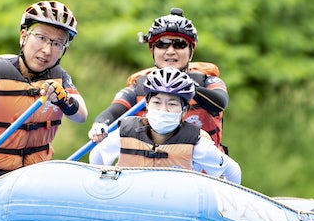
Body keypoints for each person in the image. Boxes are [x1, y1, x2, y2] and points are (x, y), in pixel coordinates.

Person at [0, 0, 88, 193]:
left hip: (34, 175)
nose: (47, 50)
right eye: (42, 38)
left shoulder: (60, 78)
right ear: (23, 37)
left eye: (57, 43)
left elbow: (81, 115)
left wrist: (63, 100)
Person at [87, 7, 229, 150]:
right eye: (162, 44)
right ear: (152, 49)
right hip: (152, 166)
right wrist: (100, 124)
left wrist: (185, 84)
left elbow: (220, 102)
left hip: (200, 168)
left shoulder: (207, 81)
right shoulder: (139, 86)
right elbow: (113, 112)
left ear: (191, 51)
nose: (171, 51)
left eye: (179, 44)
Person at [89, 67, 242, 183]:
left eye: (172, 104)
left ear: (184, 111)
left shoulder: (197, 144)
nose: (163, 110)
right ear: (147, 105)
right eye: (157, 102)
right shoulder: (125, 134)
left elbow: (233, 171)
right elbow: (97, 156)